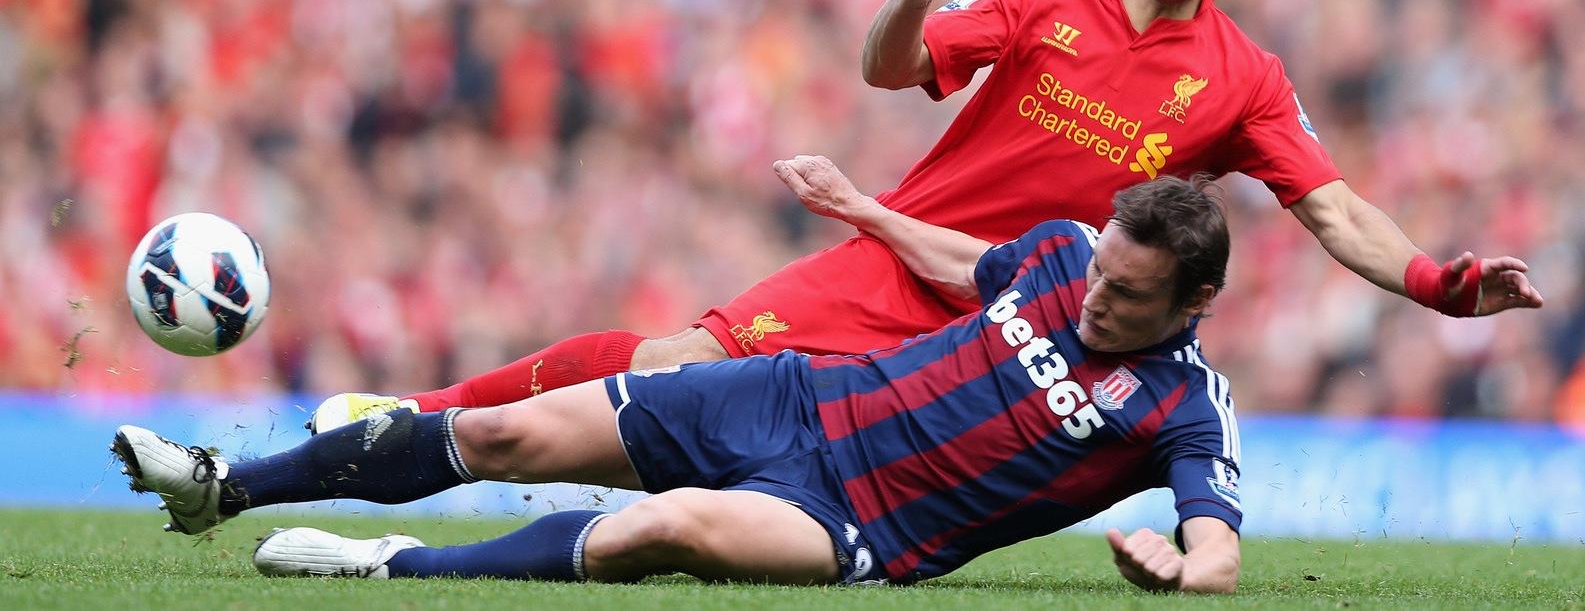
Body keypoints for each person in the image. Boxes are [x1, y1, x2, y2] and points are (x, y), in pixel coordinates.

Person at [305, 0, 1542, 433]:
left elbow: (1332, 207)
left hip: (1026, 334)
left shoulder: (1241, 77)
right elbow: (889, 69)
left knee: (778, 486)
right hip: (897, 267)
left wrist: (1436, 282)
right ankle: (415, 418)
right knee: (677, 373)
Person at [115, 158, 1248, 592]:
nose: (1095, 297)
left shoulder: (1184, 411)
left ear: (1191, 304)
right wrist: (864, 212)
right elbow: (977, 265)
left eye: (1126, 296)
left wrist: (1176, 569)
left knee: (667, 531)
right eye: (1100, 270)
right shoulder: (1060, 254)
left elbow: (1221, 551)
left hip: (857, 522)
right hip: (797, 396)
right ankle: (223, 488)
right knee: (509, 432)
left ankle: (387, 568)